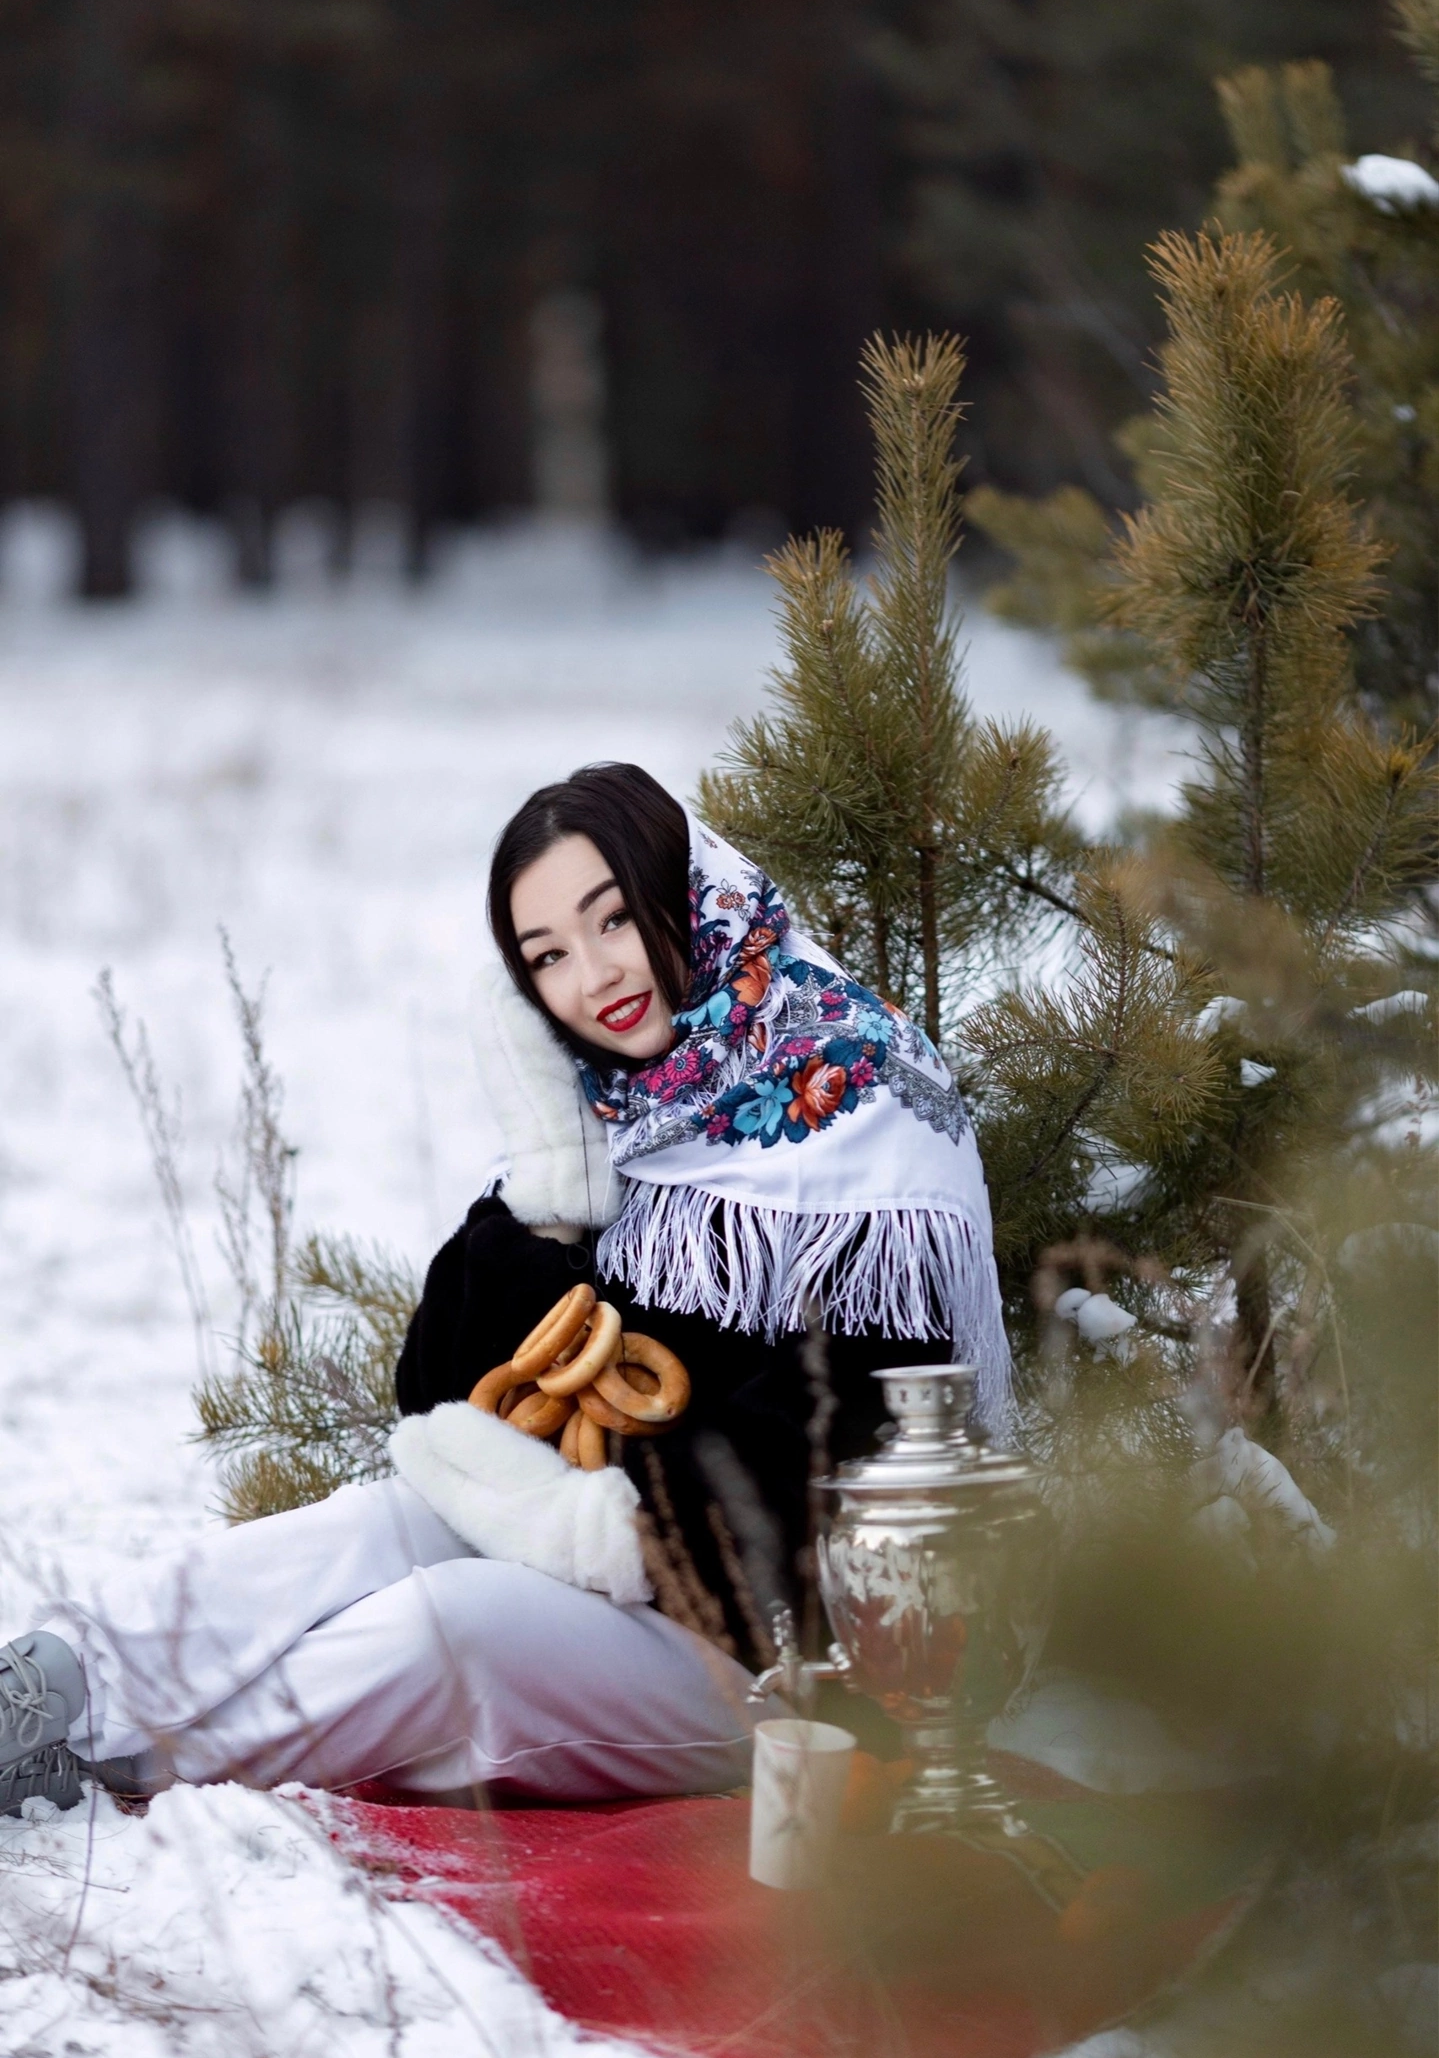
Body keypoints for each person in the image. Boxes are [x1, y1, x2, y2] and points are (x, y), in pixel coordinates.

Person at [0, 763, 1008, 1819]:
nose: (594, 978)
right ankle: (56, 1683)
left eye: (614, 919)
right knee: (376, 1526)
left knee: (453, 1620)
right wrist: (548, 1175)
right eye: (547, 959)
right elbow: (434, 1384)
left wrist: (566, 1506)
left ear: (691, 895)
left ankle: (96, 1773)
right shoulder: (619, 1111)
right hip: (583, 1569)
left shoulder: (857, 1110)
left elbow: (819, 1449)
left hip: (771, 1662)